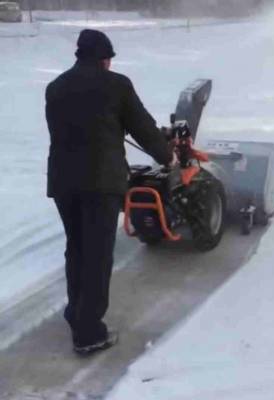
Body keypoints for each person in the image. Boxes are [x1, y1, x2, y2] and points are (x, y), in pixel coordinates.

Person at [45, 29, 173, 355]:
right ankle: (89, 333)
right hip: (101, 184)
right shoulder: (116, 85)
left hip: (64, 184)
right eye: (110, 59)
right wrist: (168, 156)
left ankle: (77, 313)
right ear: (105, 58)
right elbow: (142, 127)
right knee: (98, 255)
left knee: (77, 249)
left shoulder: (55, 87)